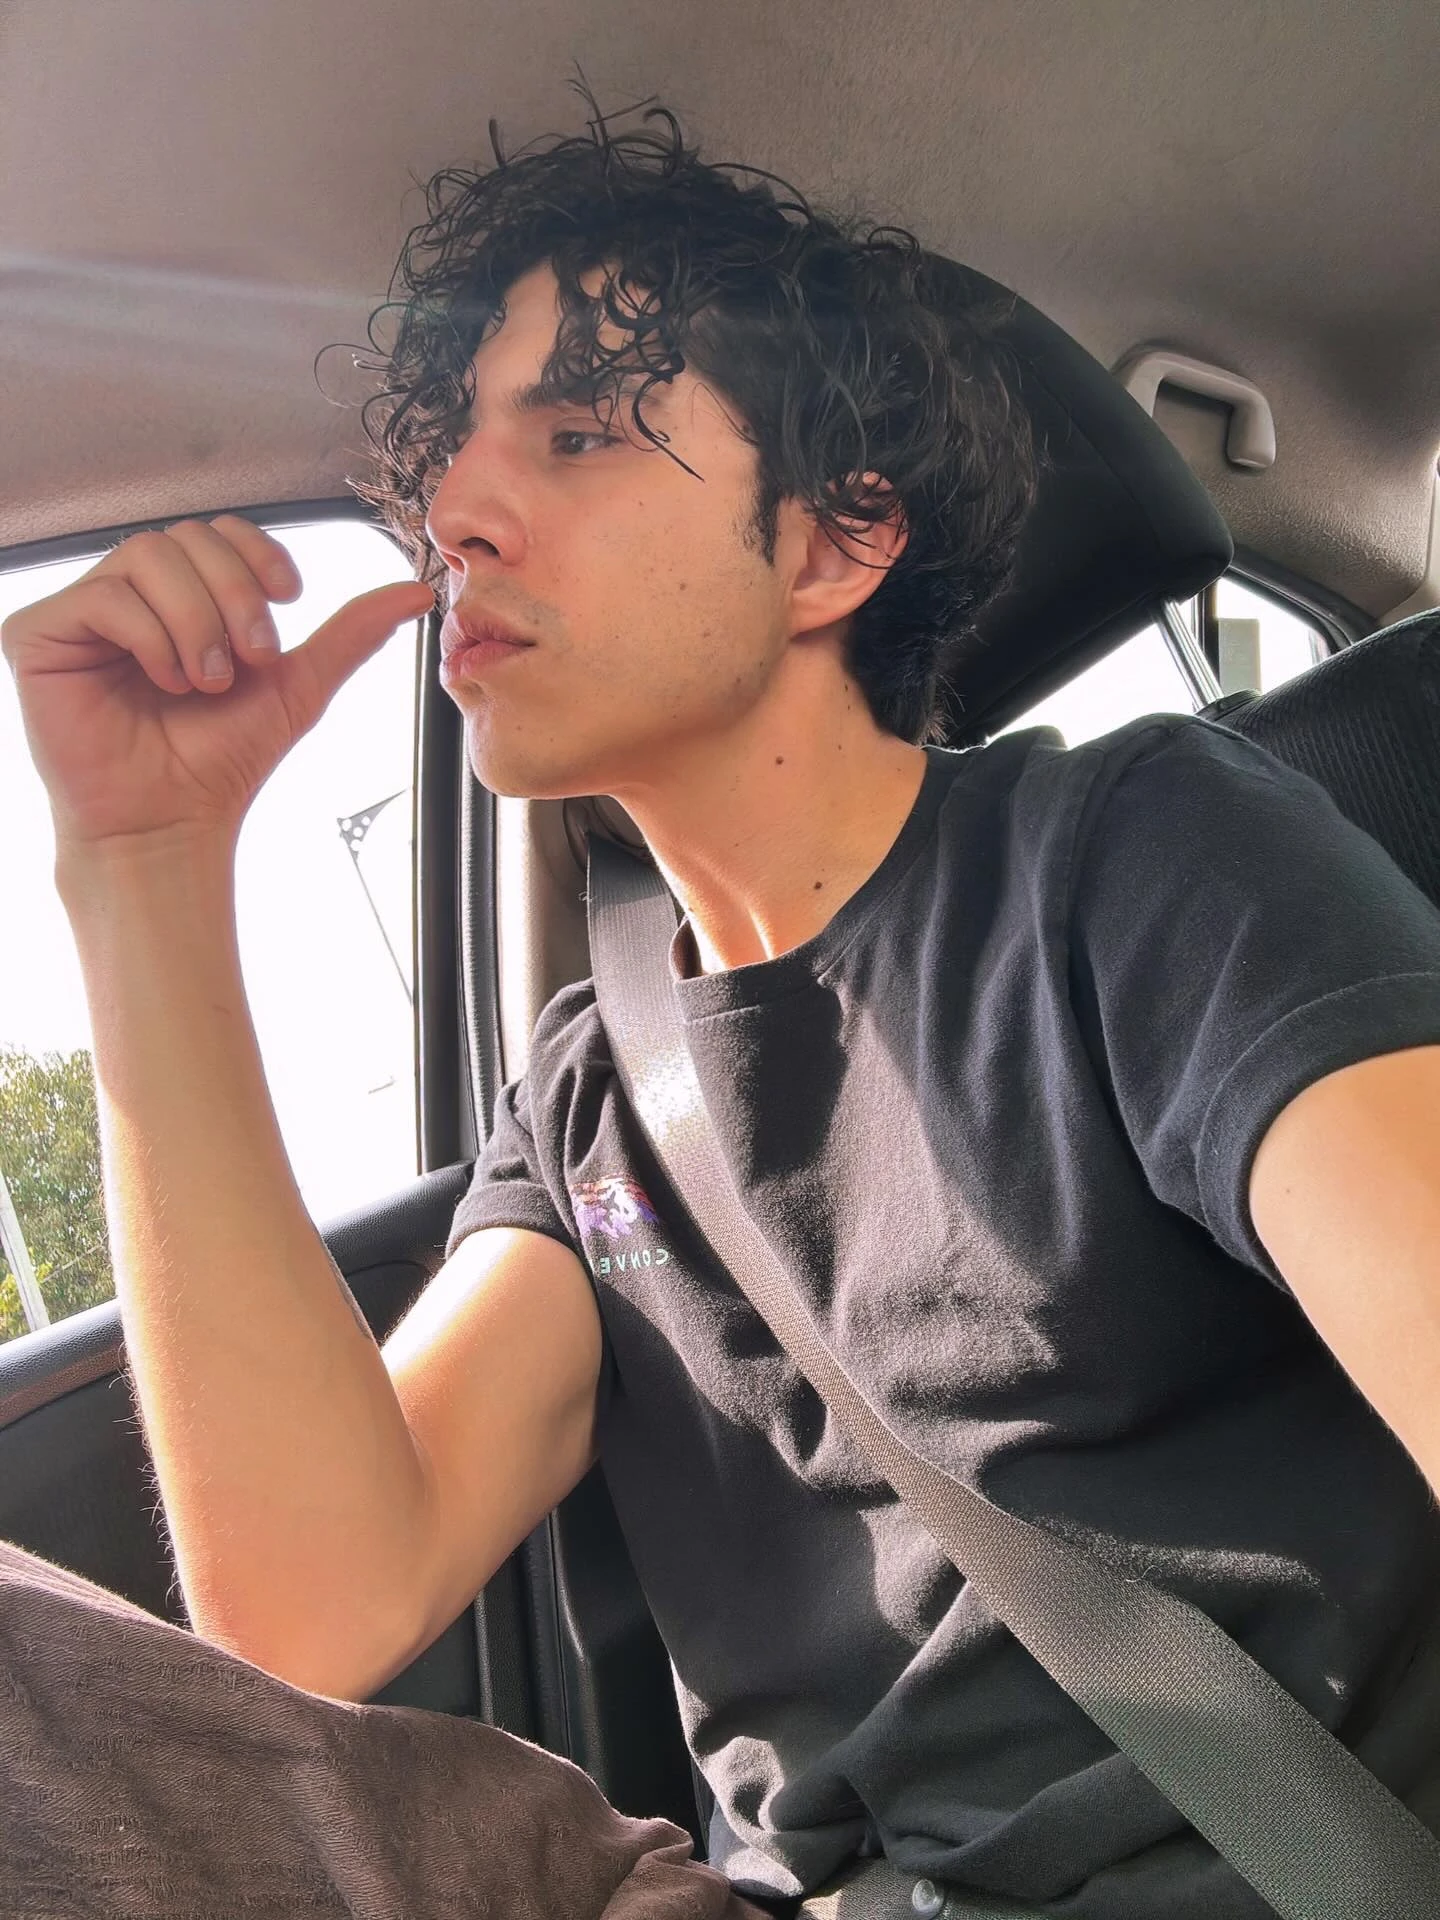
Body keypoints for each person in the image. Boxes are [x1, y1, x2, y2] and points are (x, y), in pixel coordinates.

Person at [3, 95, 1440, 1920]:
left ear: (837, 541)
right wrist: (141, 868)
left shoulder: (1134, 855)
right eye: (454, 455)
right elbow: (316, 1606)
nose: (454, 515)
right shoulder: (590, 1094)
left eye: (579, 436)